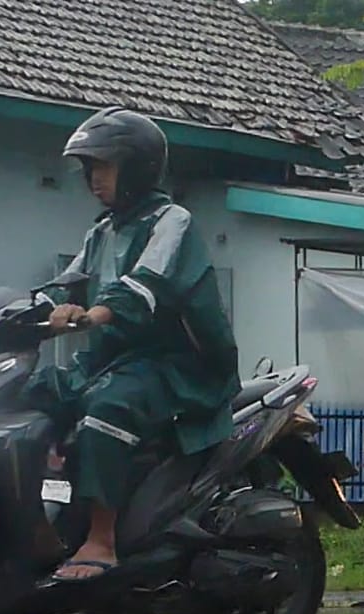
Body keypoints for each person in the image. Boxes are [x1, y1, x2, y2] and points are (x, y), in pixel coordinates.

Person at [30, 106, 240, 582]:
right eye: (87, 169)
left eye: (101, 167)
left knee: (106, 408)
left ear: (138, 168)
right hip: (115, 359)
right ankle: (43, 525)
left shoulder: (173, 221)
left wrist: (95, 313)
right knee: (36, 395)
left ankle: (101, 540)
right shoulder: (101, 231)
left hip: (179, 365)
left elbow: (149, 284)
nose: (92, 179)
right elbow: (66, 285)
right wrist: (15, 316)